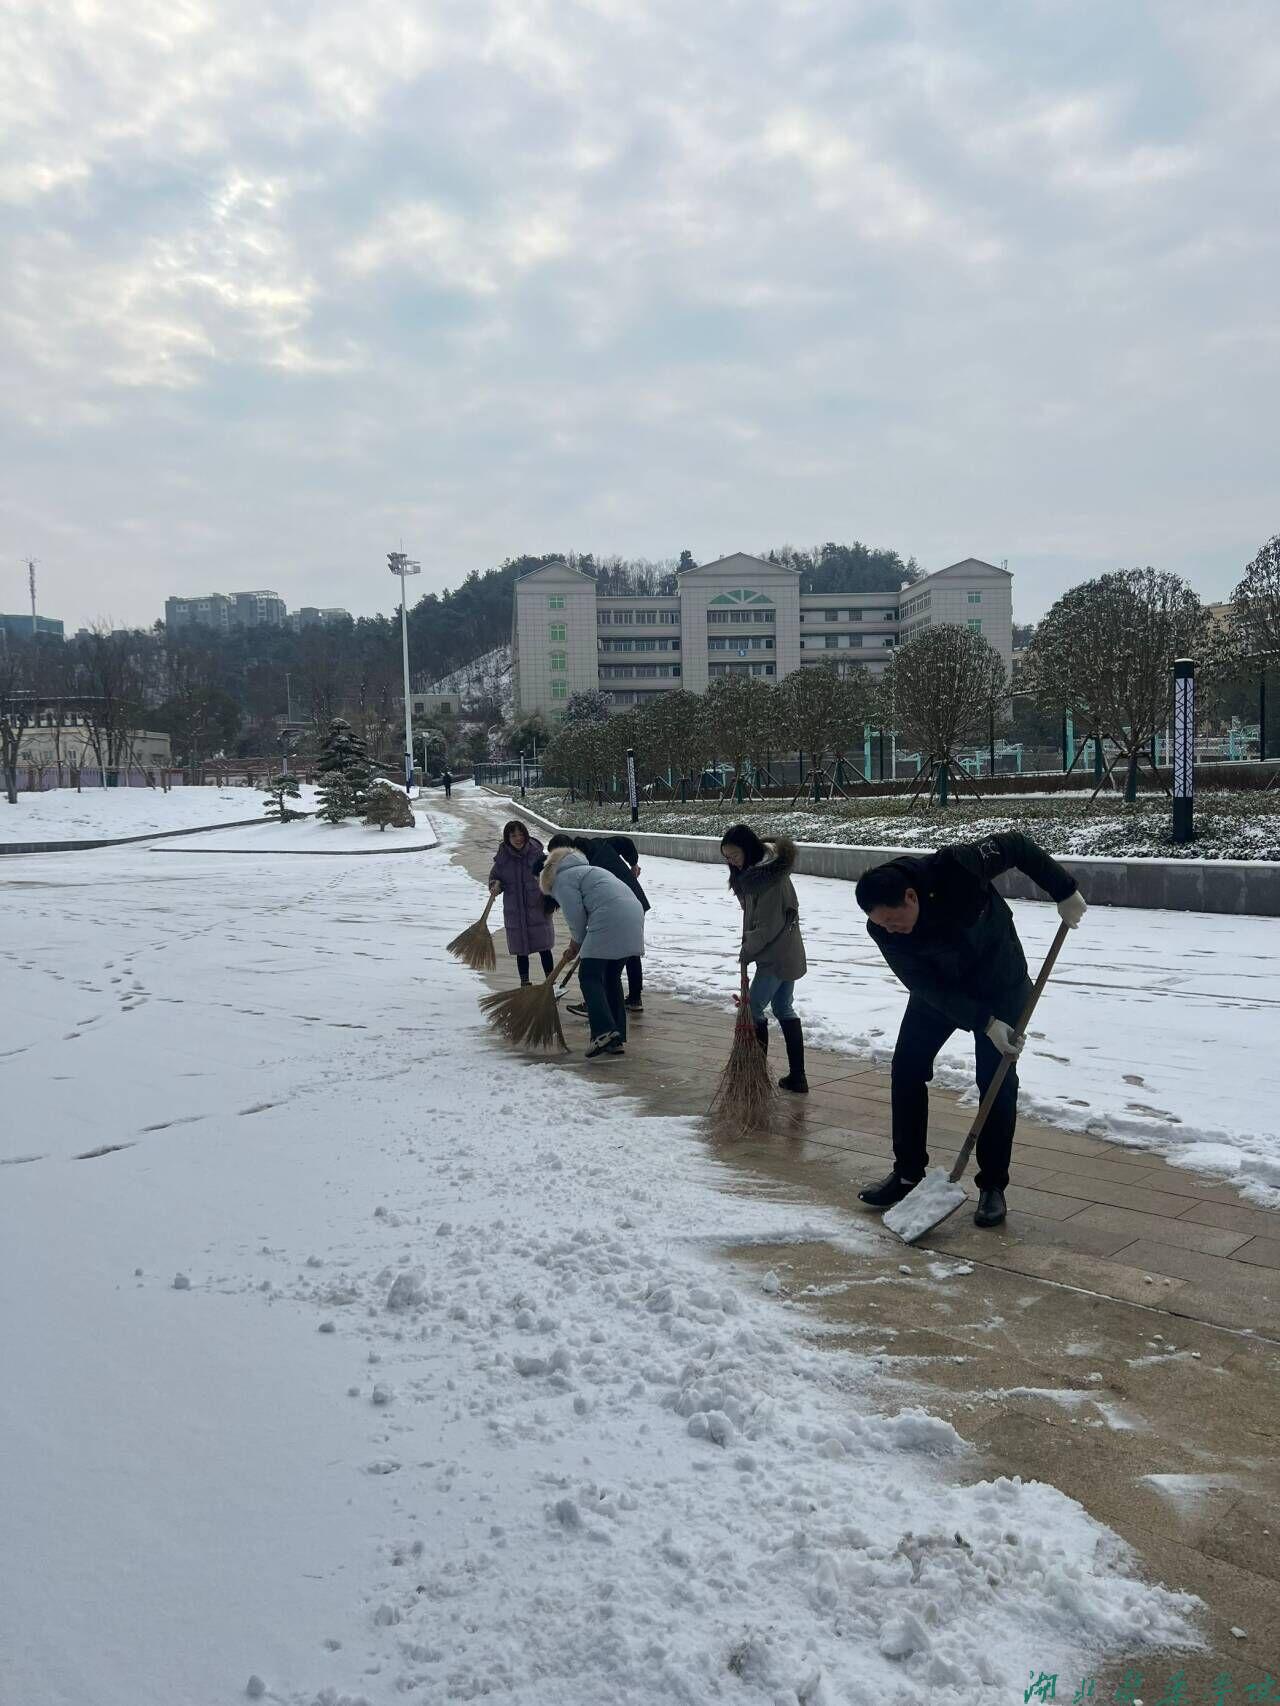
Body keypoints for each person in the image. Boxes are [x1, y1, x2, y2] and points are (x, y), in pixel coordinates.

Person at [853, 831, 1088, 1228]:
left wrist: (1063, 890)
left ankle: (992, 1185)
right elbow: (922, 985)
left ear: (910, 897)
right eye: (882, 924)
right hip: (941, 991)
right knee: (907, 1067)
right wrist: (983, 1023)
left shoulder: (957, 866)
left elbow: (1015, 845)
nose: (890, 930)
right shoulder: (882, 930)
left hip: (1000, 983)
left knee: (996, 1080)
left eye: (893, 920)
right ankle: (908, 1173)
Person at [719, 824, 808, 1094]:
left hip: (776, 955)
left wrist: (747, 949)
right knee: (783, 1008)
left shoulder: (769, 879)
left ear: (748, 849)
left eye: (735, 855)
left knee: (754, 1010)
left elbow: (767, 926)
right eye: (727, 857)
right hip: (785, 951)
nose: (732, 861)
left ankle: (755, 1077)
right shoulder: (759, 872)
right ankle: (797, 1077)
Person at [539, 844, 645, 1059]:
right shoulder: (590, 870)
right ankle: (615, 1037)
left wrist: (576, 943)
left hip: (609, 917)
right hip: (634, 915)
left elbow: (575, 916)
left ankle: (604, 1031)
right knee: (611, 976)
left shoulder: (561, 880)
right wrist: (576, 943)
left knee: (589, 975)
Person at [488, 820, 555, 985]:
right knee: (521, 951)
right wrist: (495, 885)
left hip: (537, 909)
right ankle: (525, 984)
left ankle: (551, 983)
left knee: (545, 949)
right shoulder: (503, 859)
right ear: (507, 838)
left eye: (521, 834)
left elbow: (551, 876)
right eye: (513, 836)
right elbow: (494, 877)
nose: (518, 838)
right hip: (515, 912)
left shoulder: (537, 854)